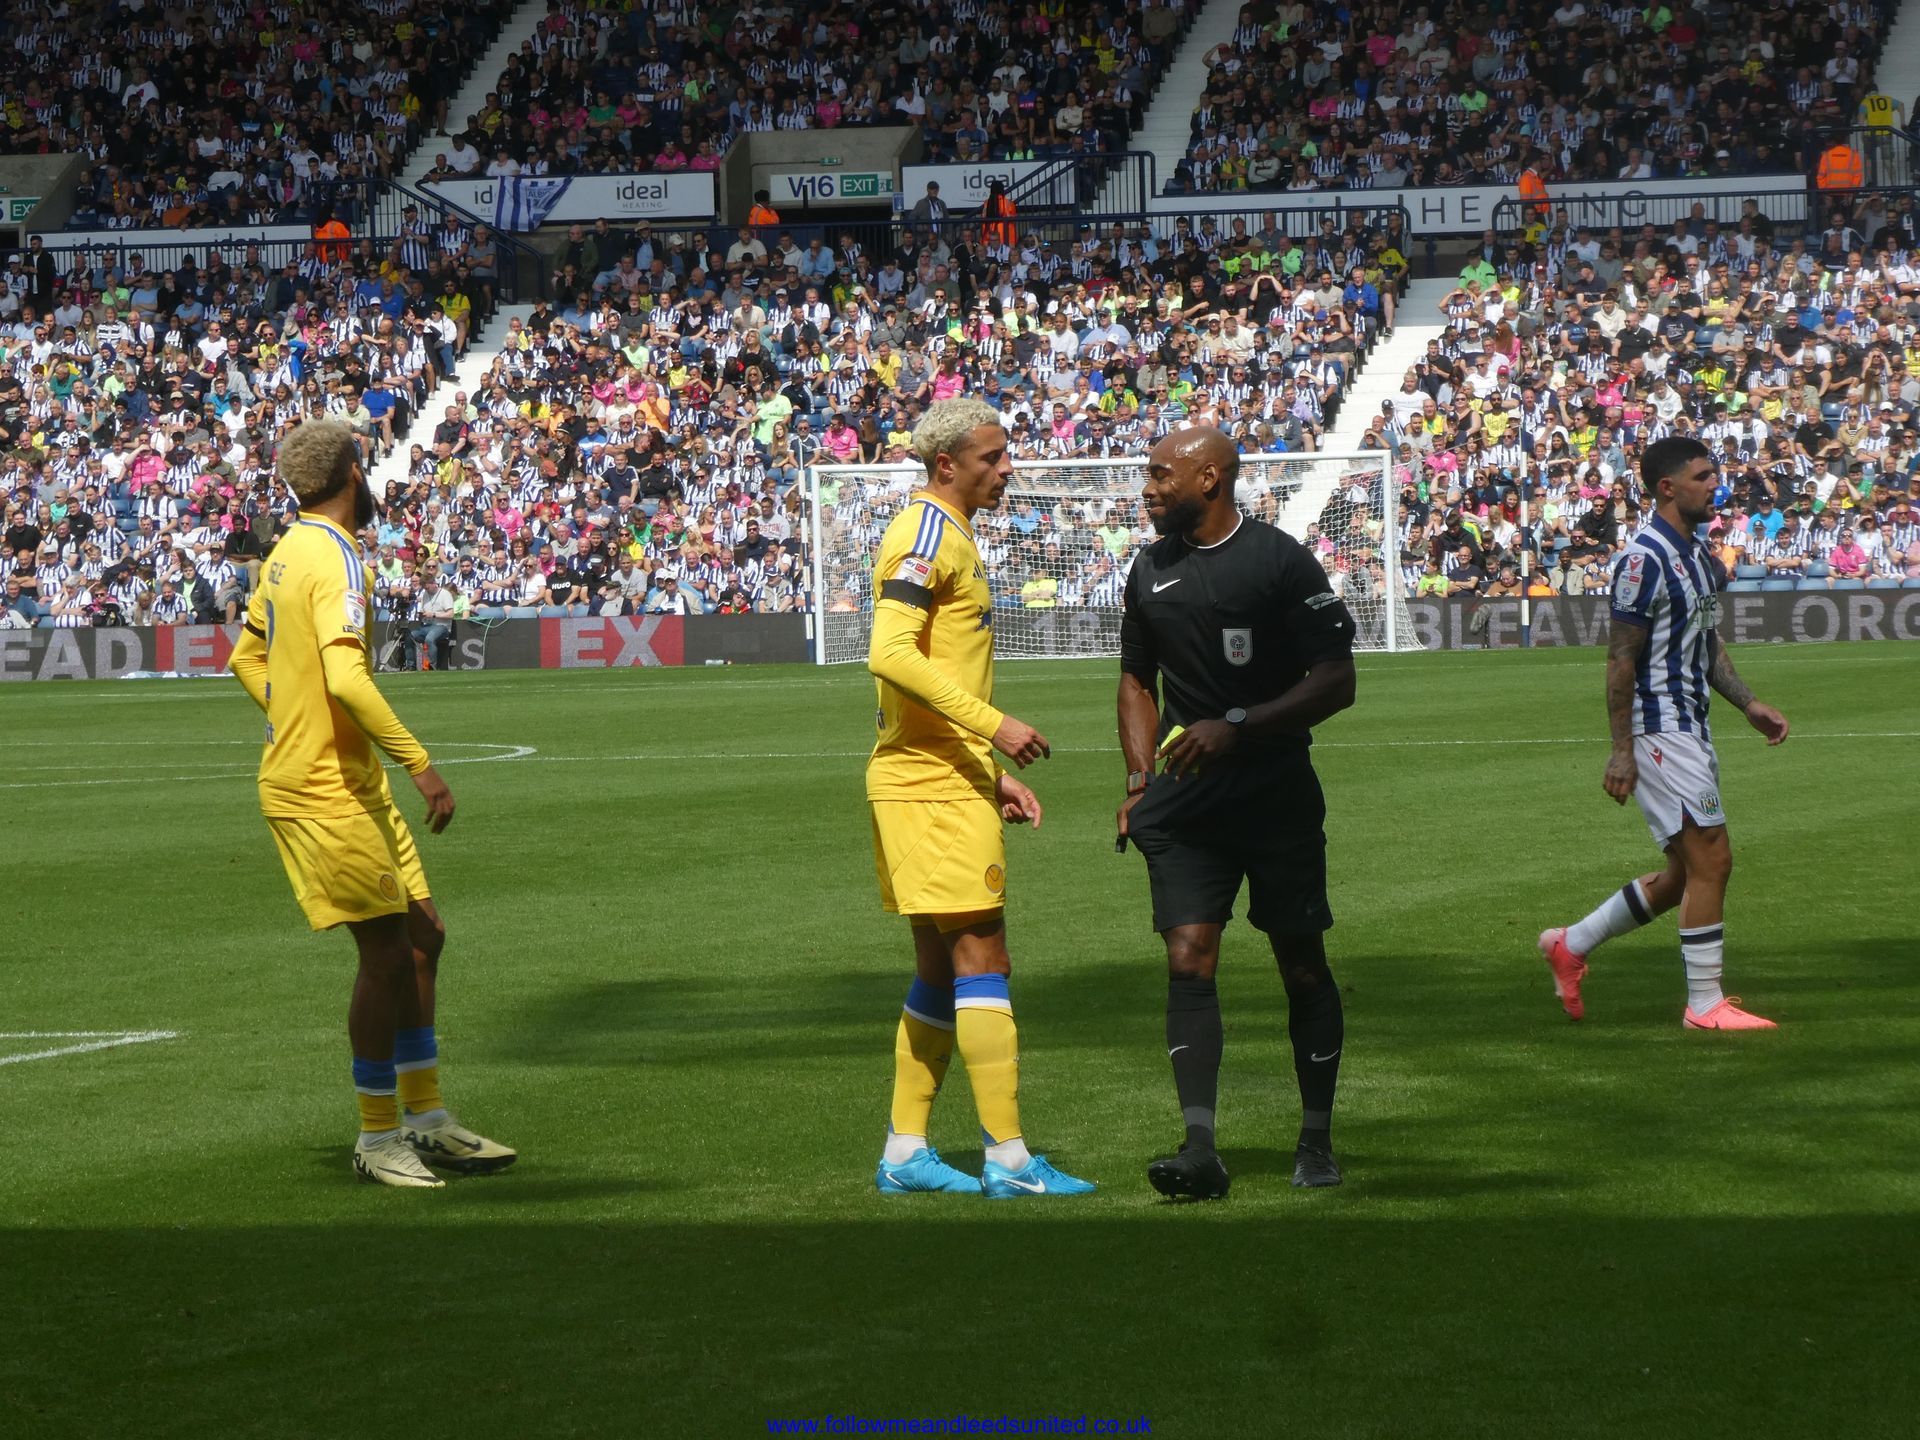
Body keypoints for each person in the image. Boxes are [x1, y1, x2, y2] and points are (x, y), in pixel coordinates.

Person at [227, 418, 515, 1189]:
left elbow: (246, 656)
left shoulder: (287, 549)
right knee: (386, 954)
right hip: (320, 789)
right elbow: (347, 678)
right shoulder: (335, 555)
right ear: (355, 472)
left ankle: (426, 1119)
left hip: (347, 782)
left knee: (424, 940)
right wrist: (421, 765)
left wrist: (289, 709)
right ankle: (378, 1134)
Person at [1115, 426, 1359, 1201]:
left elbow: (1337, 679)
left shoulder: (1280, 561)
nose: (1149, 488)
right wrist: (1138, 780)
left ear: (1209, 478)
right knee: (1189, 958)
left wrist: (1241, 724)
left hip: (1275, 794)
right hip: (1187, 803)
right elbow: (1135, 681)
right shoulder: (1149, 568)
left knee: (1301, 963)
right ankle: (1199, 1151)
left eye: (1162, 474)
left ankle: (1315, 1140)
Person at [866, 397, 1094, 1200]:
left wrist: (988, 773)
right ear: (947, 465)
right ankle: (1010, 1161)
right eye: (992, 457)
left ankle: (905, 1152)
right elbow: (889, 654)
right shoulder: (926, 532)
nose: (1007, 469)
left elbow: (927, 674)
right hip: (927, 785)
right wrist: (995, 727)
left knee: (939, 967)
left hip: (938, 774)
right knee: (983, 957)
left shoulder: (951, 534)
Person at [1539, 437, 1790, 1031]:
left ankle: (1571, 945)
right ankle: (1704, 1005)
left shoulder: (1699, 557)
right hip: (1659, 729)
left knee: (1684, 874)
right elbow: (1620, 657)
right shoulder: (1642, 559)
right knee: (1713, 860)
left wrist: (1747, 702)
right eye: (1703, 476)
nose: (1715, 485)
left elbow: (1706, 641)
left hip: (1691, 727)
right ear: (1667, 488)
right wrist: (1621, 750)